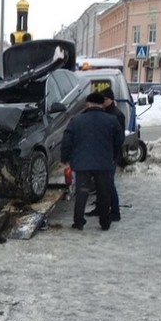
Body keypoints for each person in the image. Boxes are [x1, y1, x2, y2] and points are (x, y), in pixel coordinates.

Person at [60, 92, 124, 231]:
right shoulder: (112, 120)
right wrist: (112, 155)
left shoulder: (76, 120)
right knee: (104, 193)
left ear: (88, 103)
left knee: (82, 192)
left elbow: (67, 141)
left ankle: (79, 222)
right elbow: (119, 140)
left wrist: (65, 158)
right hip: (104, 163)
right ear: (102, 104)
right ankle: (105, 222)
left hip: (83, 164)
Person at [87, 87, 125, 221]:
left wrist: (112, 156)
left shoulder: (117, 115)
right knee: (99, 183)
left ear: (111, 99)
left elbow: (119, 139)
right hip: (101, 154)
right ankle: (100, 208)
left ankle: (115, 211)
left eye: (105, 99)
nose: (103, 101)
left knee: (108, 183)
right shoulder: (104, 113)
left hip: (110, 156)